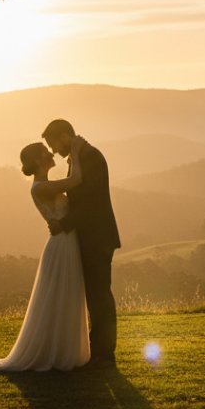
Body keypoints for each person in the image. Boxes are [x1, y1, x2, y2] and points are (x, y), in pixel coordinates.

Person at [0, 139, 91, 373]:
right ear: (38, 160)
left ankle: (63, 350)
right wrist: (75, 153)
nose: (51, 153)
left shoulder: (45, 184)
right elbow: (75, 181)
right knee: (60, 297)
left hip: (66, 241)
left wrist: (73, 160)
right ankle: (55, 352)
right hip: (61, 245)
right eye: (46, 152)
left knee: (66, 296)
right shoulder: (40, 187)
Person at [42, 119, 121, 369]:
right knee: (94, 295)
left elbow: (89, 204)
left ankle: (104, 355)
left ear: (65, 136)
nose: (53, 150)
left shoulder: (91, 158)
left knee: (99, 295)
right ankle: (97, 352)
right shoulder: (80, 157)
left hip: (97, 237)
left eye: (53, 143)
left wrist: (63, 224)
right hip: (88, 236)